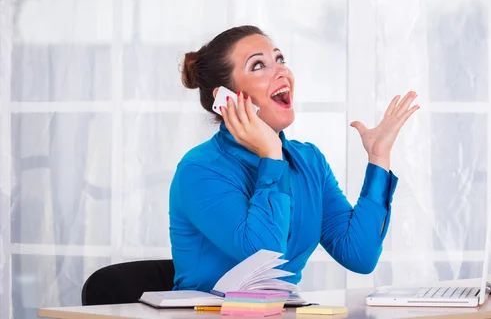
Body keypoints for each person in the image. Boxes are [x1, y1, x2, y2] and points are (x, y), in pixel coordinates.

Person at [169, 25, 419, 292]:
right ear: (226, 99)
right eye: (258, 66)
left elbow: (359, 255)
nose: (282, 72)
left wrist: (378, 157)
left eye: (279, 59)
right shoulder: (199, 171)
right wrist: (271, 155)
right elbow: (263, 255)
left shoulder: (308, 161)